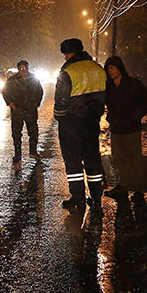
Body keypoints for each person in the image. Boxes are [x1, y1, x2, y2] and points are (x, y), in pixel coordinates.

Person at [54, 38, 107, 215]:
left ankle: (78, 198)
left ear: (69, 53)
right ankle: (96, 197)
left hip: (72, 124)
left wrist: (60, 118)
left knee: (73, 162)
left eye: (65, 54)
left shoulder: (68, 71)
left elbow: (61, 101)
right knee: (92, 159)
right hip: (91, 124)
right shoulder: (97, 69)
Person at [102, 56, 147, 202]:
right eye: (108, 69)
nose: (110, 71)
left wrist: (134, 117)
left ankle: (138, 189)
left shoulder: (133, 84)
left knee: (135, 159)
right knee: (118, 159)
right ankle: (121, 186)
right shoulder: (108, 87)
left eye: (112, 68)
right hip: (116, 128)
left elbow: (144, 102)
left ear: (119, 68)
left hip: (131, 128)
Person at [2, 60, 44, 163]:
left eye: (25, 68)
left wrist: (36, 103)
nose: (23, 70)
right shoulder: (12, 80)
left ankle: (33, 152)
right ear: (18, 69)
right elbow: (5, 93)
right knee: (16, 134)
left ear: (28, 68)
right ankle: (17, 154)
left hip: (31, 109)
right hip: (17, 110)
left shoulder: (34, 79)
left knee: (33, 132)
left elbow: (40, 92)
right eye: (21, 68)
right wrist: (11, 103)